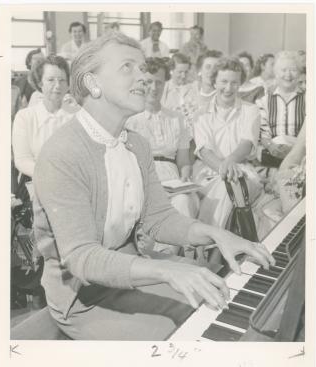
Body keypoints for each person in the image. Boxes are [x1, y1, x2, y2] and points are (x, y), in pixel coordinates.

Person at [33, 32, 274, 341]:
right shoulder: (62, 152)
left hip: (130, 274)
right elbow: (82, 258)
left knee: (222, 295)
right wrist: (167, 270)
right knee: (183, 338)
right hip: (80, 298)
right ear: (93, 83)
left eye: (142, 68)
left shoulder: (136, 143)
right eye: (128, 67)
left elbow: (160, 218)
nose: (144, 77)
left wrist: (216, 234)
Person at [126, 57, 199, 254]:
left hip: (172, 179)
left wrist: (185, 176)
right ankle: (161, 258)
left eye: (159, 82)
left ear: (165, 83)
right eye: (148, 82)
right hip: (143, 178)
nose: (154, 87)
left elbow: (184, 160)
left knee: (183, 201)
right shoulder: (130, 119)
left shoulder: (177, 119)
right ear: (140, 83)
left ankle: (177, 256)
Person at [193, 56, 263, 228]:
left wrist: (230, 162)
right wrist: (225, 169)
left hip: (243, 171)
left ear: (241, 84)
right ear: (214, 82)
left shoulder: (251, 110)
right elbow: (204, 151)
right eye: (223, 81)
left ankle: (204, 247)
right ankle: (213, 250)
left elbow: (246, 144)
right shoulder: (201, 113)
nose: (228, 88)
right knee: (227, 187)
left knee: (230, 187)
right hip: (208, 174)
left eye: (234, 82)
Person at [12, 55, 73, 180]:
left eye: (62, 80)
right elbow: (22, 160)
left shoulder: (77, 117)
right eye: (51, 80)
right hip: (35, 183)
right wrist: (51, 175)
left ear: (68, 84)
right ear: (40, 83)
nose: (57, 85)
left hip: (72, 184)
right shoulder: (25, 117)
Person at [256, 51, 306, 168]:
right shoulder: (264, 101)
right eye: (283, 70)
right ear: (276, 73)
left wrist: (294, 151)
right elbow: (263, 133)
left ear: (299, 74)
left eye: (293, 70)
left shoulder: (308, 99)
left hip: (300, 156)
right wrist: (271, 146)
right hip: (271, 155)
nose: (288, 75)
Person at [161, 52, 199, 138]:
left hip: (193, 137)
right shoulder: (164, 89)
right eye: (180, 72)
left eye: (186, 72)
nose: (183, 76)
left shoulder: (194, 87)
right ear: (171, 70)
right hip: (171, 136)